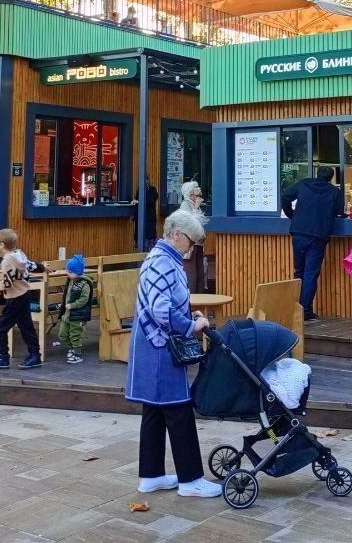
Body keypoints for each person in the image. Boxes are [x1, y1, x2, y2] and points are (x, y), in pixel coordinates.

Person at [125, 206, 222, 498]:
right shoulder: (163, 262)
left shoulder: (163, 258)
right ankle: (191, 480)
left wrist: (189, 316)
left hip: (150, 345)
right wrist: (191, 325)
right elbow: (161, 309)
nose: (193, 248)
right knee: (179, 409)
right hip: (159, 348)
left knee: (154, 410)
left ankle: (151, 475)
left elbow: (165, 303)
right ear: (177, 234)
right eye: (192, 241)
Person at [281, 166, 345, 321]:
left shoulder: (303, 184)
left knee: (299, 272)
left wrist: (291, 214)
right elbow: (338, 212)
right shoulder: (334, 192)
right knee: (310, 273)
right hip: (318, 235)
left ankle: (295, 309)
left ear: (317, 174)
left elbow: (285, 197)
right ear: (331, 178)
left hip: (299, 232)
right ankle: (306, 311)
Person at [0, 229, 42, 370]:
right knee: (26, 326)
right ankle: (35, 355)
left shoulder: (6, 261)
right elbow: (31, 266)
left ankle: (3, 357)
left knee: (1, 326)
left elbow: (8, 283)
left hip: (14, 297)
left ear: (2, 244)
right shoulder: (19, 254)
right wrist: (44, 268)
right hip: (24, 294)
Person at [56, 254, 94, 364]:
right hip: (67, 314)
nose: (67, 274)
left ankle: (77, 354)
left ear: (77, 272)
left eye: (69, 272)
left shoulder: (84, 284)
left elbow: (84, 299)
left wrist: (73, 305)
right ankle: (73, 347)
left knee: (75, 335)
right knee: (62, 335)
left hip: (78, 314)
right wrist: (63, 305)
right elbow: (68, 296)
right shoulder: (71, 281)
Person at [133, 176, 160, 245]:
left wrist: (138, 202)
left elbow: (150, 201)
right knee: (141, 238)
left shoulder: (152, 190)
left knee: (149, 239)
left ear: (147, 180)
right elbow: (137, 200)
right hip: (141, 218)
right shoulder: (140, 189)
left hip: (149, 218)